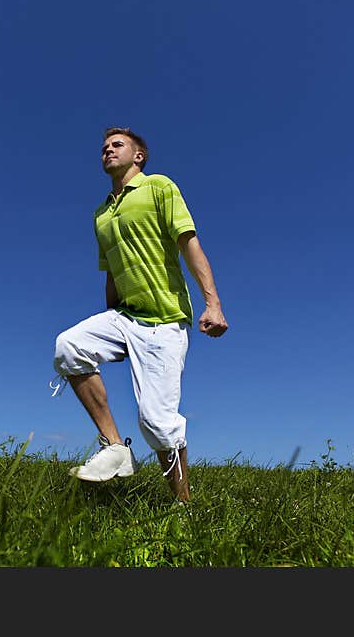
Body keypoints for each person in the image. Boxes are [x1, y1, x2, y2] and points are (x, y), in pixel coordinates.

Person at [51, 126, 228, 503]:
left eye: (117, 145)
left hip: (165, 322)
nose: (108, 151)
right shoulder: (102, 214)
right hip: (125, 317)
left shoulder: (159, 187)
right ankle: (115, 447)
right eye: (103, 148)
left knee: (158, 424)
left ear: (138, 156)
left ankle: (184, 507)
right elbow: (112, 273)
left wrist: (212, 303)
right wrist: (111, 325)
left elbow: (189, 245)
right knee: (69, 346)